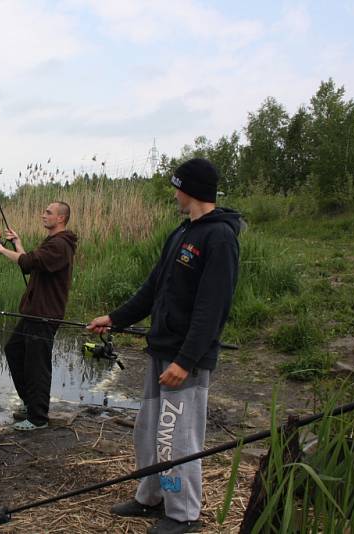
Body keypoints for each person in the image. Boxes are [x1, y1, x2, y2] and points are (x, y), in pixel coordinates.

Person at [87, 158, 242, 533]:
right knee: (149, 430)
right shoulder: (182, 232)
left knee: (177, 436)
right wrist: (116, 318)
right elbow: (154, 287)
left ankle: (183, 513)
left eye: (177, 186)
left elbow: (212, 308)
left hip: (183, 359)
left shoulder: (219, 237)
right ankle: (151, 496)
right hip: (161, 350)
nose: (174, 193)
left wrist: (186, 360)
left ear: (190, 189)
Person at [0, 202, 77, 431]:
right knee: (14, 350)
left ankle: (38, 418)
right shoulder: (52, 243)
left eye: (48, 212)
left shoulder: (60, 245)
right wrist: (17, 243)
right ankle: (30, 404)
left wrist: (1, 249)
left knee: (37, 365)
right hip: (34, 313)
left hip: (45, 315)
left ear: (60, 218)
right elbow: (31, 265)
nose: (43, 214)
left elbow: (27, 262)